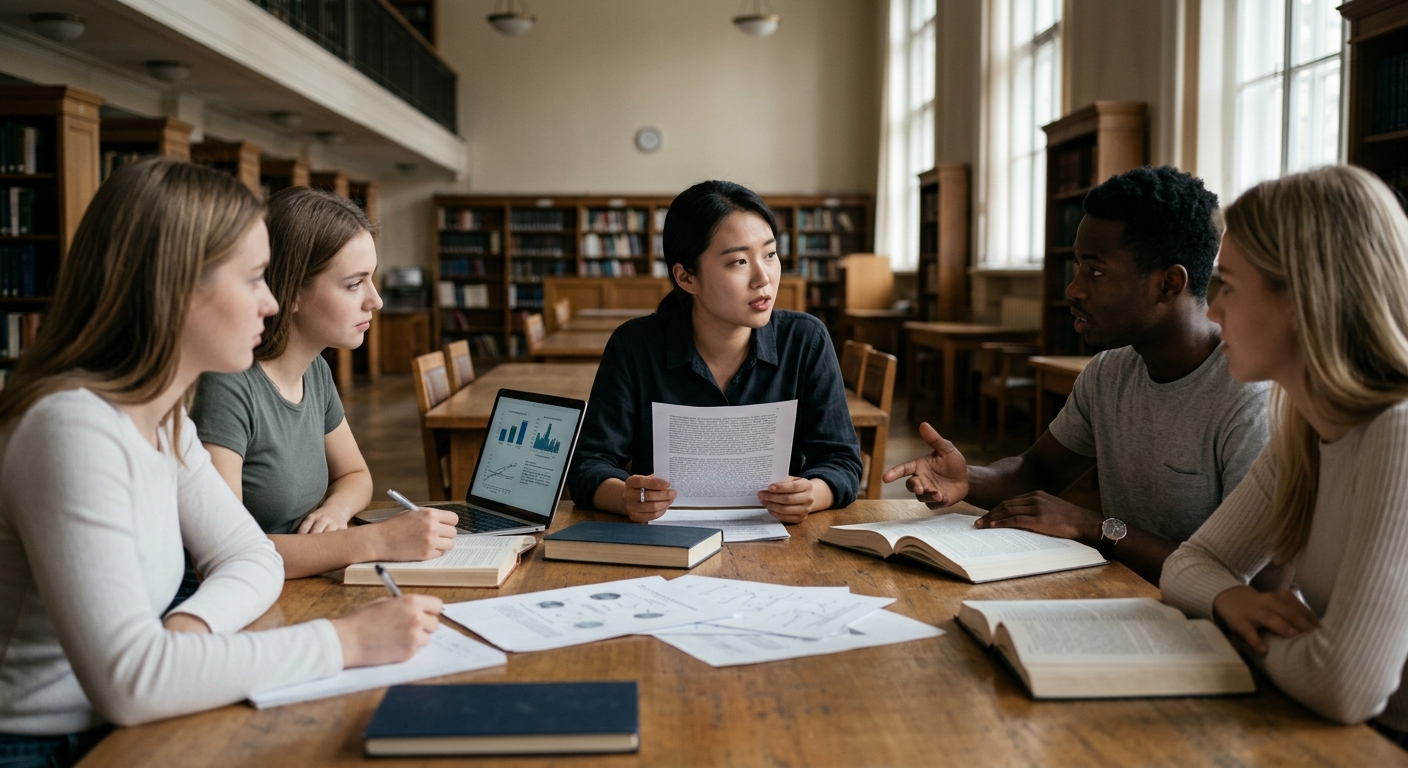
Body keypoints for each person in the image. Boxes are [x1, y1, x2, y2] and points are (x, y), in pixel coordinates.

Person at [0, 158, 440, 768]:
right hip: (50, 746)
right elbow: (132, 683)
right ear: (177, 286)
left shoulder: (168, 420)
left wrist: (188, 632)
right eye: (256, 278)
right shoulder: (71, 429)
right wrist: (348, 640)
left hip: (141, 719)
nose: (270, 302)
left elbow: (253, 554)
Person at [883, 166, 1270, 584]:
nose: (1074, 289)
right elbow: (1037, 471)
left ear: (1168, 284)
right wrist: (967, 478)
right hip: (1127, 596)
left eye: (1096, 271)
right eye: (1077, 266)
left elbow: (1247, 583)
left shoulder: (1249, 398)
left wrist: (1097, 528)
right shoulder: (1109, 372)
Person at [1161, 166, 1408, 739]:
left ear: (1304, 299)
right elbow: (1186, 565)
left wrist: (1232, 630)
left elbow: (1345, 687)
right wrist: (1228, 598)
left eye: (1229, 285)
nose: (1213, 310)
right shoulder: (1303, 429)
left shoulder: (1397, 434)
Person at [191, 187, 458, 579]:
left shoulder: (314, 371)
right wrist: (377, 541)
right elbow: (225, 553)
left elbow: (354, 475)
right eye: (354, 284)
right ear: (290, 291)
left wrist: (334, 510)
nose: (376, 300)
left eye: (372, 280)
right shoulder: (227, 387)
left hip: (303, 584)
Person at [566, 180, 863, 523]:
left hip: (778, 543)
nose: (763, 278)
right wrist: (625, 498)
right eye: (738, 261)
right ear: (686, 278)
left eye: (770, 254)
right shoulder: (634, 346)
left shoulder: (805, 340)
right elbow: (588, 465)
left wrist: (812, 494)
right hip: (660, 543)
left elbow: (842, 461)